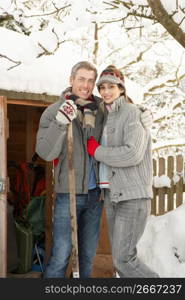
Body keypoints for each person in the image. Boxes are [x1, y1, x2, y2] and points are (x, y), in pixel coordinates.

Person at [35, 61, 153, 278]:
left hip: (96, 196)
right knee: (62, 253)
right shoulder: (53, 112)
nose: (86, 85)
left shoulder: (100, 109)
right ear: (71, 80)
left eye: (91, 81)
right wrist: (61, 123)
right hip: (67, 194)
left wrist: (143, 113)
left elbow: (124, 111)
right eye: (81, 79)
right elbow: (45, 151)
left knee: (88, 255)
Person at [87, 65, 159, 278]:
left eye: (111, 86)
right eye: (102, 87)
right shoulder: (105, 115)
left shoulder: (131, 113)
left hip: (133, 196)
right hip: (111, 195)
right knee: (121, 259)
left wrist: (97, 151)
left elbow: (132, 154)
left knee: (124, 259)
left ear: (121, 88)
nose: (106, 91)